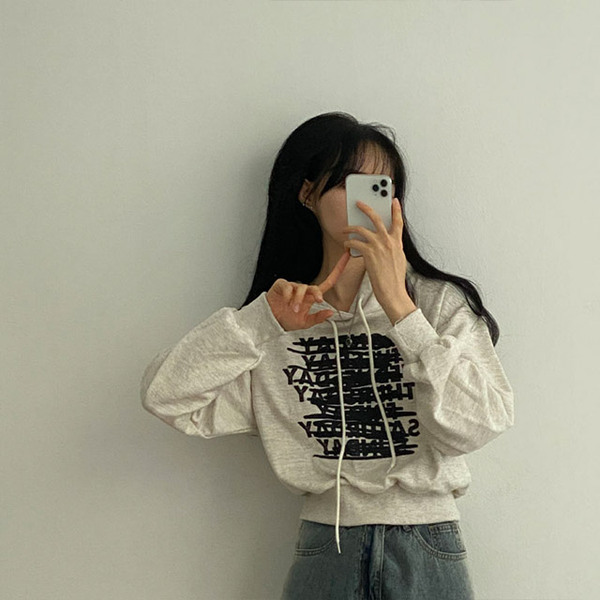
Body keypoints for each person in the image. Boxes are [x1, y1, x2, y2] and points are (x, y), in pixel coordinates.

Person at [140, 111, 515, 600]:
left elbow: (479, 424)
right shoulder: (277, 323)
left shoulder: (436, 304)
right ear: (307, 193)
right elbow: (166, 396)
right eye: (347, 183)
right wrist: (260, 323)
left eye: (379, 186)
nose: (365, 200)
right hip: (325, 544)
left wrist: (401, 310)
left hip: (428, 543)